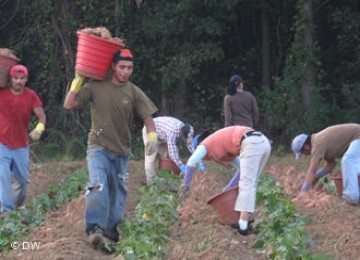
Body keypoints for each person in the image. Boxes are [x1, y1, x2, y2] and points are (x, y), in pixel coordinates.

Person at [63, 48, 158, 247]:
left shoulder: (133, 91)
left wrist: (152, 139)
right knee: (98, 185)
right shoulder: (96, 87)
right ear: (113, 66)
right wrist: (77, 81)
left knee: (118, 193)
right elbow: (69, 104)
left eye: (130, 68)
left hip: (122, 152)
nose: (125, 71)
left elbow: (148, 118)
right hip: (98, 147)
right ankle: (94, 228)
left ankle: (111, 230)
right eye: (122, 67)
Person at [179, 126, 271, 235]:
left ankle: (243, 226)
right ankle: (247, 219)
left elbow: (191, 161)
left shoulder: (205, 145)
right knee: (251, 183)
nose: (204, 159)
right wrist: (228, 188)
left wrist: (186, 184)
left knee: (247, 185)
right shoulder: (224, 149)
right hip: (262, 142)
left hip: (251, 142)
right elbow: (242, 168)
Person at [0, 64, 46, 212]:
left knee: (23, 181)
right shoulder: (2, 94)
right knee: (4, 175)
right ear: (10, 79)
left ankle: (16, 205)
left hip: (21, 145)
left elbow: (41, 115)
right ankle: (6, 210)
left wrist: (39, 128)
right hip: (3, 143)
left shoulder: (30, 95)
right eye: (16, 78)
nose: (18, 81)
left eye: (22, 78)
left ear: (26, 79)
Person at [291, 123, 360, 205]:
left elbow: (312, 170)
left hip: (357, 136)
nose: (305, 155)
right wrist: (316, 177)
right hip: (356, 138)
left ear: (306, 147)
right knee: (351, 164)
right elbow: (331, 165)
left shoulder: (317, 144)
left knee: (348, 160)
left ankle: (352, 197)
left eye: (303, 153)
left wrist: (303, 191)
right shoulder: (320, 144)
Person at [142, 116, 203, 185]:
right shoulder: (172, 131)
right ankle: (151, 184)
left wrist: (200, 161)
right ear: (180, 133)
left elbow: (190, 146)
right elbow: (173, 153)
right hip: (151, 131)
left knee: (170, 153)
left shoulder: (185, 129)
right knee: (151, 157)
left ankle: (168, 176)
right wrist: (181, 166)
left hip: (162, 134)